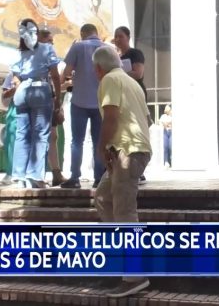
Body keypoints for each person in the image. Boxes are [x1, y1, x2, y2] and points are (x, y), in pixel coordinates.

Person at [92, 46, 152, 298]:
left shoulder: (109, 79)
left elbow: (111, 117)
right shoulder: (132, 82)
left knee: (125, 210)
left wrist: (101, 148)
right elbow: (147, 120)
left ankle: (135, 274)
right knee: (104, 198)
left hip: (127, 151)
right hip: (130, 150)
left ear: (98, 68)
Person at [10, 19, 62, 189]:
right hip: (40, 90)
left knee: (22, 134)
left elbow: (16, 77)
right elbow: (55, 75)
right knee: (40, 135)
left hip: (22, 91)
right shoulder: (47, 48)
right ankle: (34, 176)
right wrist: (58, 98)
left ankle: (18, 176)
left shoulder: (20, 52)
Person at [62, 24, 105, 189]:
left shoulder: (78, 47)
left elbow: (67, 71)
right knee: (98, 141)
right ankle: (99, 177)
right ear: (96, 32)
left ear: (82, 34)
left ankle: (75, 177)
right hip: (100, 102)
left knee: (77, 141)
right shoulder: (106, 48)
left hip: (79, 101)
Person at [113, 26, 148, 183]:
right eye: (116, 37)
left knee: (138, 129)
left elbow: (138, 73)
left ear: (128, 37)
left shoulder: (135, 53)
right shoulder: (115, 57)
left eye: (121, 36)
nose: (118, 39)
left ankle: (139, 168)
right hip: (122, 97)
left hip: (136, 95)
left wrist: (119, 75)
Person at [38, 29, 67, 186]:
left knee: (52, 136)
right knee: (39, 137)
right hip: (38, 99)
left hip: (49, 98)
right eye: (48, 41)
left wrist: (57, 100)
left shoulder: (50, 57)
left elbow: (55, 79)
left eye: (52, 42)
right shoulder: (33, 56)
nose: (51, 44)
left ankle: (56, 173)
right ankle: (37, 174)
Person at [0, 72, 18, 185]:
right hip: (14, 112)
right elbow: (4, 100)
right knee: (11, 142)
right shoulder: (11, 76)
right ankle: (11, 172)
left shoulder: (39, 71)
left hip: (33, 111)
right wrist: (16, 88)